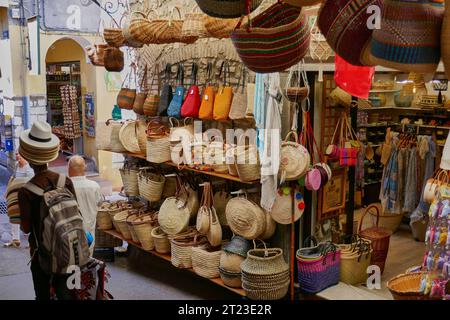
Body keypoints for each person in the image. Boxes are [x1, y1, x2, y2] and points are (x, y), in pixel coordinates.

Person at [18, 121, 77, 300]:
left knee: (42, 296)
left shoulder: (26, 191)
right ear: (50, 155)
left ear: (28, 157)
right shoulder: (65, 181)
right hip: (71, 254)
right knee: (70, 295)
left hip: (41, 257)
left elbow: (26, 228)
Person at [68, 155, 102, 254]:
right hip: (89, 232)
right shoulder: (94, 186)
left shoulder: (65, 187)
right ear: (85, 168)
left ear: (69, 168)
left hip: (70, 232)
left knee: (72, 260)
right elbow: (99, 204)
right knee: (88, 260)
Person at [3, 153, 33, 248]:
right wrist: (8, 190)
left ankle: (31, 242)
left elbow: (30, 181)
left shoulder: (28, 167)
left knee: (27, 216)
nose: (17, 156)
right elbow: (13, 178)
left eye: (19, 154)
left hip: (25, 196)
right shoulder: (17, 165)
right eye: (16, 154)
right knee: (13, 215)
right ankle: (15, 240)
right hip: (15, 196)